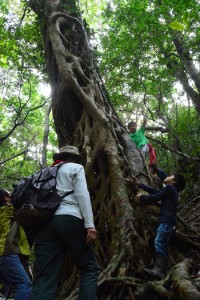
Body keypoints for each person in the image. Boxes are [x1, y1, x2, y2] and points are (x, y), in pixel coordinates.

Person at [31, 145, 100, 300]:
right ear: (73, 158)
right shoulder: (75, 167)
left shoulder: (43, 173)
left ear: (59, 157)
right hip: (68, 218)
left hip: (44, 225)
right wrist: (90, 224)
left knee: (45, 277)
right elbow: (82, 193)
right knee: (89, 268)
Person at [130, 173, 186, 279]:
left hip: (166, 222)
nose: (167, 176)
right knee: (159, 242)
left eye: (171, 175)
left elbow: (156, 197)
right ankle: (158, 267)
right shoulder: (171, 191)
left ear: (173, 181)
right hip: (168, 222)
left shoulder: (170, 188)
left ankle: (159, 270)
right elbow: (157, 192)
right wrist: (140, 184)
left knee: (159, 242)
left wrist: (142, 198)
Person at [0, 189, 32, 300]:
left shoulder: (3, 213)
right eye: (10, 195)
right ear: (6, 199)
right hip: (7, 252)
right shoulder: (8, 210)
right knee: (24, 283)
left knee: (8, 281)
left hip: (4, 253)